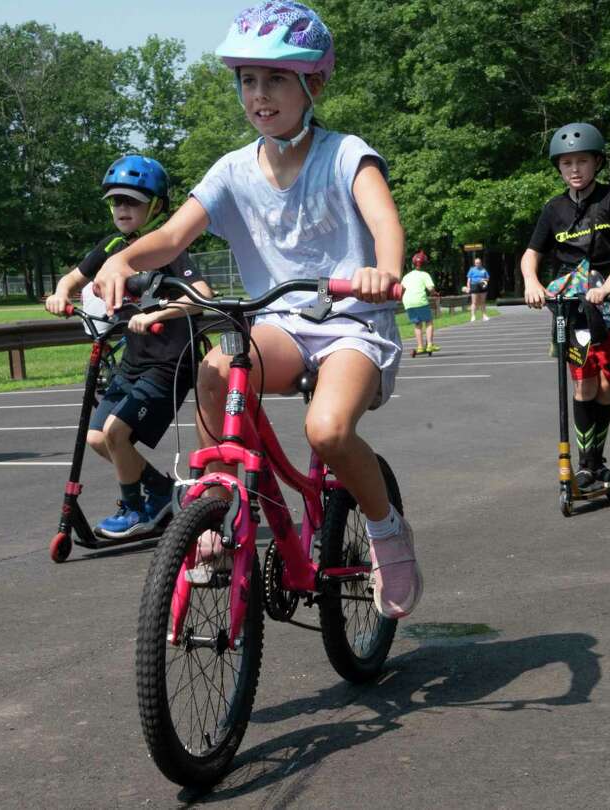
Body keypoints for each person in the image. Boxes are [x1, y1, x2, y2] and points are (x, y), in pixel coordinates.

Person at [90, 1, 421, 619]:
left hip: (351, 323)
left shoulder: (346, 154)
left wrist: (386, 271)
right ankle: (218, 503)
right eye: (248, 80)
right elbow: (170, 238)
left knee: (326, 430)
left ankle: (385, 529)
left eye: (274, 79)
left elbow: (385, 222)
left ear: (312, 84)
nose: (259, 95)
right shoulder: (232, 170)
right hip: (282, 325)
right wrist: (121, 262)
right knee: (218, 369)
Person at [44, 155, 211, 538]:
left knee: (117, 433)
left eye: (133, 201)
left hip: (170, 363)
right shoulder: (113, 247)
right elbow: (72, 278)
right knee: (98, 437)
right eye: (117, 201)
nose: (122, 208)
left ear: (156, 206)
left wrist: (157, 315)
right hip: (135, 361)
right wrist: (59, 293)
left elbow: (202, 297)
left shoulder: (167, 248)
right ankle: (160, 491)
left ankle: (135, 510)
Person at [520, 122, 610, 491]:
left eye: (582, 161)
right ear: (559, 167)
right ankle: (587, 469)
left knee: (606, 383)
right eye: (567, 162)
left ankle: (595, 463)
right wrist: (532, 283)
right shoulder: (553, 209)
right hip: (572, 307)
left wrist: (609, 288)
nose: (575, 169)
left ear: (597, 162)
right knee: (583, 381)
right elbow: (529, 256)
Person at [402, 250, 439, 356]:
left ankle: (419, 347)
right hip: (420, 300)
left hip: (408, 302)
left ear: (413, 263)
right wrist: (434, 293)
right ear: (425, 264)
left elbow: (402, 289)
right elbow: (430, 288)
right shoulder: (424, 274)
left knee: (417, 324)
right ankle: (430, 344)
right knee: (429, 321)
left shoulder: (407, 276)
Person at [465, 257, 490, 321]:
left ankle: (484, 315)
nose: (478, 264)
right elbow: (469, 279)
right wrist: (468, 287)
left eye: (479, 263)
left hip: (483, 284)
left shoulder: (484, 270)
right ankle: (473, 316)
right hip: (474, 285)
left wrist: (484, 279)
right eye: (476, 263)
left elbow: (488, 278)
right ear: (475, 263)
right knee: (474, 302)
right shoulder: (472, 269)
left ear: (481, 263)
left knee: (483, 301)